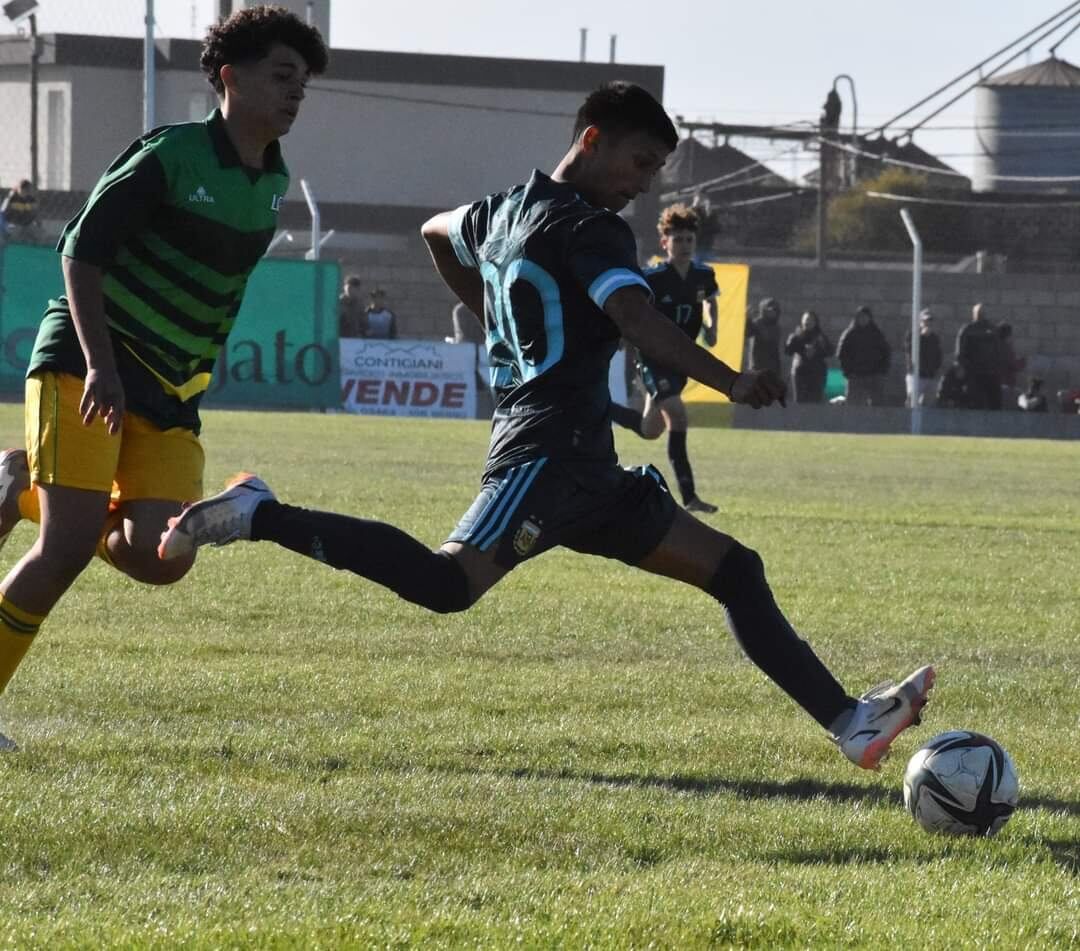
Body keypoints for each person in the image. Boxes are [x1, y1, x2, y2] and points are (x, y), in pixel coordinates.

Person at [159, 81, 934, 773]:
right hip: (543, 454)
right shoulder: (589, 228)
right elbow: (636, 318)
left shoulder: (502, 210)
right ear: (590, 139)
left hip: (587, 464)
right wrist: (732, 380)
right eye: (637, 163)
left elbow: (435, 230)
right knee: (445, 584)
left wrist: (496, 312)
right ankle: (261, 513)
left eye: (654, 172)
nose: (641, 186)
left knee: (736, 568)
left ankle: (851, 723)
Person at [0, 6, 328, 752]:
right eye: (282, 76)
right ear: (228, 78)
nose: (295, 93)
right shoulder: (171, 155)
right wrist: (103, 366)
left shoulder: (273, 179)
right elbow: (80, 254)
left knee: (161, 558)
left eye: (303, 82)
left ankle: (24, 485)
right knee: (66, 549)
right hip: (90, 366)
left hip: (173, 393)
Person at [609, 203, 720, 514]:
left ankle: (600, 409)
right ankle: (690, 496)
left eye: (689, 240)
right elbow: (632, 308)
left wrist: (712, 329)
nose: (684, 245)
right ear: (665, 243)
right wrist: (621, 336)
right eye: (678, 240)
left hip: (681, 359)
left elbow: (710, 303)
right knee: (677, 415)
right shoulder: (654, 277)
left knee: (650, 429)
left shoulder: (703, 274)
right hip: (654, 355)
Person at [837, 305, 890, 406]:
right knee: (853, 405)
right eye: (860, 317)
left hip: (873, 376)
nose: (863, 319)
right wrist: (847, 372)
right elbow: (841, 354)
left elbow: (886, 352)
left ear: (870, 318)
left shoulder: (877, 334)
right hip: (855, 376)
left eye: (865, 317)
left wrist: (882, 370)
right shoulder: (849, 334)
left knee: (876, 405)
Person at [955, 303, 1002, 410]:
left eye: (983, 312)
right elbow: (959, 352)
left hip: (991, 373)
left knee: (995, 403)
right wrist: (963, 367)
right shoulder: (967, 330)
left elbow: (998, 350)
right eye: (979, 312)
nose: (981, 315)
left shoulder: (992, 329)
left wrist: (997, 367)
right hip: (974, 373)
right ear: (974, 314)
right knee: (976, 403)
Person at [783, 310, 832, 404]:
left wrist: (821, 346)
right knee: (800, 403)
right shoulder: (797, 336)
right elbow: (788, 351)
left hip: (817, 374)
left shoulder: (820, 336)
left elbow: (830, 352)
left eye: (810, 320)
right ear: (802, 321)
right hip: (800, 373)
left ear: (815, 322)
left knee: (815, 402)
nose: (808, 322)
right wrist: (794, 339)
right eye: (806, 320)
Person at [903, 309, 943, 408]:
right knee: (912, 404)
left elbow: (938, 355)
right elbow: (909, 350)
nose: (928, 323)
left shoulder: (934, 338)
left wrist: (936, 369)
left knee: (929, 405)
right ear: (920, 322)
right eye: (925, 321)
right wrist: (922, 337)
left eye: (930, 321)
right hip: (916, 376)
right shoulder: (912, 335)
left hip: (930, 376)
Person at [745, 297, 782, 375]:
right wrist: (747, 320)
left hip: (772, 367)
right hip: (757, 366)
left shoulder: (776, 327)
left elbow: (771, 343)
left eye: (774, 310)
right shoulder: (757, 323)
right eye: (769, 310)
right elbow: (747, 333)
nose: (772, 312)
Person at [996, 322, 1025, 410]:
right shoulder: (1006, 348)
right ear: (1008, 335)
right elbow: (1013, 365)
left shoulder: (995, 347)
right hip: (1005, 387)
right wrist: (1023, 361)